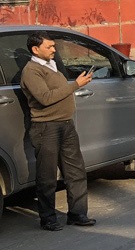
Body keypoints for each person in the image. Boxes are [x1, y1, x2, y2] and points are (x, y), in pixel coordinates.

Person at [20, 33, 95, 231]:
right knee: (47, 176)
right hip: (46, 127)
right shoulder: (31, 71)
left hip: (66, 125)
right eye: (49, 47)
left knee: (75, 171)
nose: (54, 50)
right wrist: (75, 85)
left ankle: (78, 214)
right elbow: (45, 98)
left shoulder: (52, 65)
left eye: (54, 46)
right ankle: (48, 218)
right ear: (35, 50)